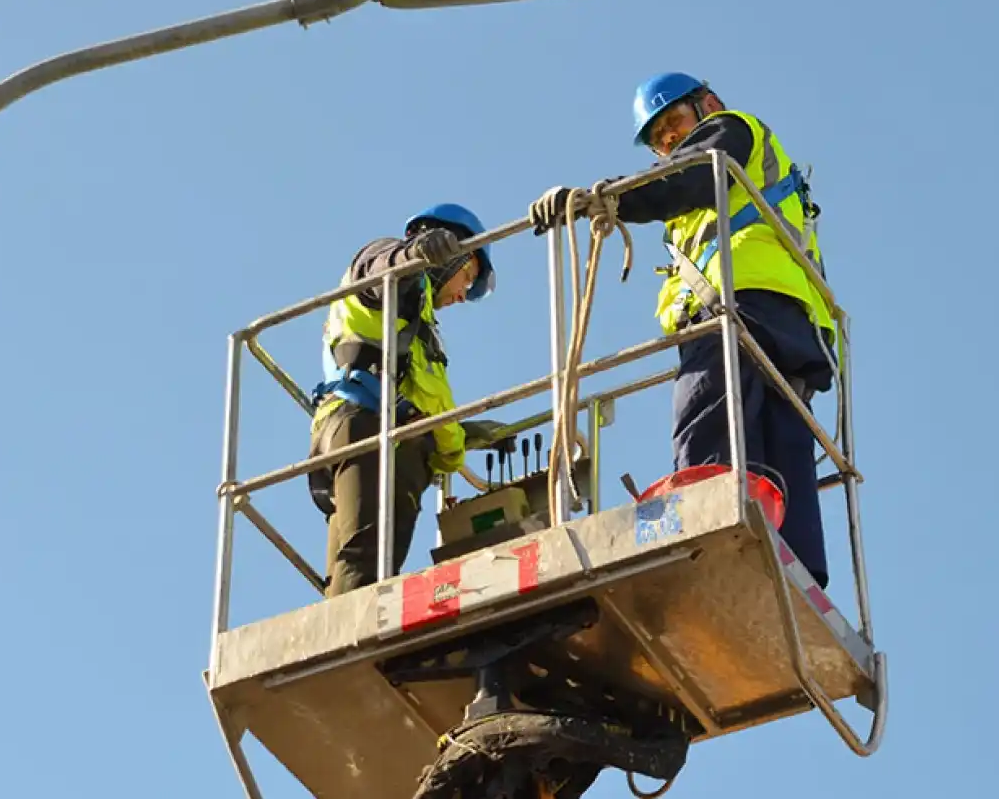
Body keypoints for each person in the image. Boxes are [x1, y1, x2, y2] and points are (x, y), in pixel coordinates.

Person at [527, 72, 839, 587]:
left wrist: (602, 199)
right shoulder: (715, 192)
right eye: (658, 138)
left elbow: (687, 178)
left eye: (673, 123)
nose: (669, 141)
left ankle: (704, 535)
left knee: (707, 413)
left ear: (707, 104)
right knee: (775, 444)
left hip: (743, 305)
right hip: (789, 318)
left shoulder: (729, 132)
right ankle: (799, 573)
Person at [307, 203, 514, 596]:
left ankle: (347, 644)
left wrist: (460, 436)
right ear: (451, 256)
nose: (461, 295)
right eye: (467, 276)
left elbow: (426, 400)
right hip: (366, 427)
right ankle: (359, 650)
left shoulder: (418, 323)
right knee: (366, 563)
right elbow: (379, 268)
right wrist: (415, 253)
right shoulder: (394, 279)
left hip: (387, 438)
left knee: (357, 568)